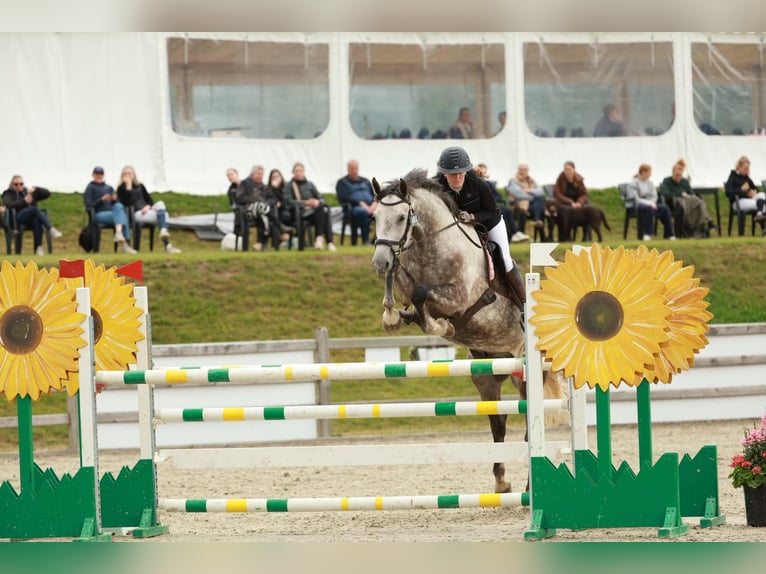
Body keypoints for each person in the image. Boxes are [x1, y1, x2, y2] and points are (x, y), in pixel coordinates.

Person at [434, 146, 525, 311]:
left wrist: (473, 217)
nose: (457, 178)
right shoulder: (437, 186)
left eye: (460, 173)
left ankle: (524, 303)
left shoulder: (478, 184)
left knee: (504, 258)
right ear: (444, 173)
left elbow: (491, 211)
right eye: (452, 174)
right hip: (460, 229)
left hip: (490, 223)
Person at [116, 165, 181, 253]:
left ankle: (163, 230)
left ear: (134, 174)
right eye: (125, 174)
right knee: (164, 216)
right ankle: (167, 245)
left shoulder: (140, 186)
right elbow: (126, 203)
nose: (128, 175)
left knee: (160, 203)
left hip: (147, 210)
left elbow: (150, 200)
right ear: (122, 176)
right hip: (137, 213)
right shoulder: (121, 189)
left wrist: (148, 206)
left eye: (129, 173)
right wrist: (128, 186)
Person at [3, 174, 63, 256]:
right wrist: (24, 201)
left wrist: (36, 188)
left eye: (21, 184)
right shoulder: (8, 193)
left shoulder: (27, 192)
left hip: (32, 218)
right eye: (16, 184)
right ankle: (50, 228)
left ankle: (38, 247)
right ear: (12, 184)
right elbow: (9, 204)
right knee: (35, 210)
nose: (19, 186)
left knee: (37, 220)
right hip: (18, 217)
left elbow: (47, 194)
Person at [236, 165, 293, 251]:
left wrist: (270, 201)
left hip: (262, 212)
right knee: (262, 206)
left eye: (262, 174)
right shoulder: (245, 183)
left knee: (265, 211)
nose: (261, 176)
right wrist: (255, 199)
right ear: (252, 174)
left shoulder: (264, 187)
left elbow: (272, 199)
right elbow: (240, 198)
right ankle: (281, 229)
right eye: (258, 174)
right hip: (249, 212)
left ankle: (262, 243)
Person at [83, 166, 135, 254]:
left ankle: (119, 234)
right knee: (123, 217)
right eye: (97, 174)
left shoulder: (109, 188)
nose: (99, 176)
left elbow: (118, 203)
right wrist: (101, 200)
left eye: (101, 174)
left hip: (113, 213)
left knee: (119, 207)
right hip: (99, 214)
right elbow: (88, 205)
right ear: (93, 175)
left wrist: (114, 199)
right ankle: (126, 245)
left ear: (103, 175)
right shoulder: (90, 188)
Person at [658, 159, 716, 238]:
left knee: (700, 201)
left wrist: (687, 195)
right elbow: (665, 194)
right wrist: (680, 194)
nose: (678, 177)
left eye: (680, 175)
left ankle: (705, 223)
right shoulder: (667, 181)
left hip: (688, 201)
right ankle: (706, 222)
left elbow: (690, 192)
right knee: (682, 203)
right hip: (674, 203)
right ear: (673, 173)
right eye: (676, 175)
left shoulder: (684, 181)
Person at [287, 162, 336, 252]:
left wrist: (317, 201)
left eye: (300, 171)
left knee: (321, 208)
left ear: (304, 172)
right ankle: (329, 242)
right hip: (300, 213)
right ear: (293, 172)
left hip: (314, 212)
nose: (298, 173)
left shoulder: (310, 184)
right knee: (323, 213)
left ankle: (319, 238)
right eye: (296, 171)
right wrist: (305, 203)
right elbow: (288, 201)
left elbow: (321, 198)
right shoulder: (289, 185)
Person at [474, 163, 528, 243]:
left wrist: (491, 200)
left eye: (484, 173)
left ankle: (514, 234)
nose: (483, 175)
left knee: (507, 211)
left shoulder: (489, 184)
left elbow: (498, 196)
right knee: (505, 212)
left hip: (493, 206)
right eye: (481, 173)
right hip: (484, 209)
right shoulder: (475, 185)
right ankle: (514, 234)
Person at [627, 164, 675, 241]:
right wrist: (649, 203)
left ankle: (670, 234)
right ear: (643, 172)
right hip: (636, 206)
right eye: (649, 172)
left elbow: (654, 196)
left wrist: (652, 202)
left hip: (651, 204)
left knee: (665, 208)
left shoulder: (650, 183)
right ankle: (647, 234)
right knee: (648, 209)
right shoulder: (633, 183)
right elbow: (636, 199)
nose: (650, 174)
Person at [335, 159, 376, 245]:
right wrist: (361, 203)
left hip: (371, 207)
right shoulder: (342, 182)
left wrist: (374, 203)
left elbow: (374, 195)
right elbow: (343, 198)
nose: (354, 171)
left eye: (356, 168)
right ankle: (365, 240)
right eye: (352, 169)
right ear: (348, 169)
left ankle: (375, 239)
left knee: (383, 212)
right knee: (362, 212)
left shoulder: (365, 181)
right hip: (353, 209)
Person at [724, 155, 766, 234]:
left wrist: (754, 192)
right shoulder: (733, 177)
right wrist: (741, 189)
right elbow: (728, 192)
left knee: (762, 195)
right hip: (738, 202)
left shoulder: (746, 178)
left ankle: (759, 215)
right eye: (745, 168)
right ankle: (763, 224)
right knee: (761, 205)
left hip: (750, 200)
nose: (747, 170)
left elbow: (756, 189)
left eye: (748, 168)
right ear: (739, 167)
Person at [507, 163, 546, 235]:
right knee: (539, 202)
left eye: (525, 170)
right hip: (518, 205)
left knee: (540, 200)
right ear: (518, 170)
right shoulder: (513, 181)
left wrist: (530, 190)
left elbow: (541, 192)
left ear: (527, 171)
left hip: (531, 206)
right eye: (521, 170)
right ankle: (537, 220)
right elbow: (518, 194)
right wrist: (533, 196)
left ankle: (538, 222)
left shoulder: (531, 180)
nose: (523, 172)